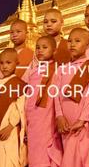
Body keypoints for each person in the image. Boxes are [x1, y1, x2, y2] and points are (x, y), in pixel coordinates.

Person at [53, 28, 89, 167]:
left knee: (83, 157)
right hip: (64, 123)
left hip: (82, 122)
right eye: (70, 41)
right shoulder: (62, 69)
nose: (72, 44)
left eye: (77, 41)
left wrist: (83, 119)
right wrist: (59, 116)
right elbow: (56, 94)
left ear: (88, 44)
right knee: (68, 157)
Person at [24, 35, 62, 167]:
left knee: (46, 147)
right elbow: (27, 92)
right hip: (31, 115)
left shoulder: (57, 70)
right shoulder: (33, 70)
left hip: (47, 115)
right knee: (34, 149)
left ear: (54, 51)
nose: (40, 50)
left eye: (45, 47)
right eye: (37, 47)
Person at [0, 48, 27, 167]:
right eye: (2, 63)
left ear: (16, 63)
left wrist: (10, 126)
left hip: (11, 130)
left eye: (8, 63)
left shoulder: (20, 84)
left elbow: (20, 110)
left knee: (11, 160)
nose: (4, 66)